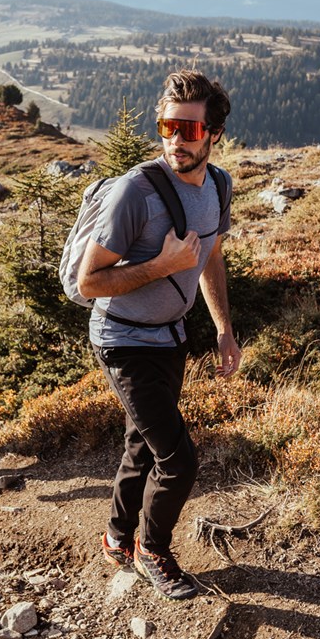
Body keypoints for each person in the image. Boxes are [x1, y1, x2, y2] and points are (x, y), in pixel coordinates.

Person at [78, 69, 241, 600]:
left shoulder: (218, 186)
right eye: (167, 127)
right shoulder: (136, 193)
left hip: (171, 336)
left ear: (214, 133)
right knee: (178, 459)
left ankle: (117, 537)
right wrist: (161, 265)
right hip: (121, 340)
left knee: (142, 444)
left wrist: (224, 329)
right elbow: (89, 281)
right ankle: (153, 550)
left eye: (188, 130)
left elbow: (211, 255)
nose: (175, 140)